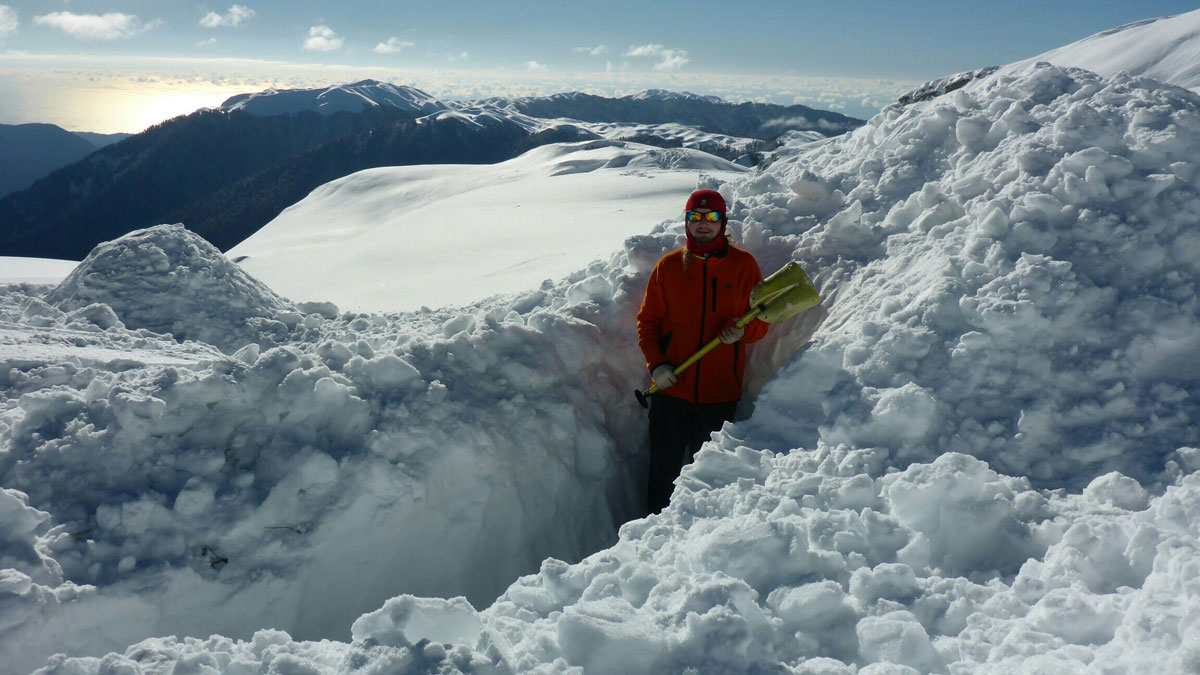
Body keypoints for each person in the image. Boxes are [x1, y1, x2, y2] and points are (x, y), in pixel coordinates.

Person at [636, 189, 768, 514]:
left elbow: (762, 322)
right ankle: (646, 544)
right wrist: (657, 365)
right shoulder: (668, 268)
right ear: (686, 222)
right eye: (696, 217)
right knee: (662, 475)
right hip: (671, 392)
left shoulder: (744, 266)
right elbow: (647, 321)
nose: (703, 224)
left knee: (706, 478)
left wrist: (742, 331)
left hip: (719, 395)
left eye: (711, 217)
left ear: (723, 222)